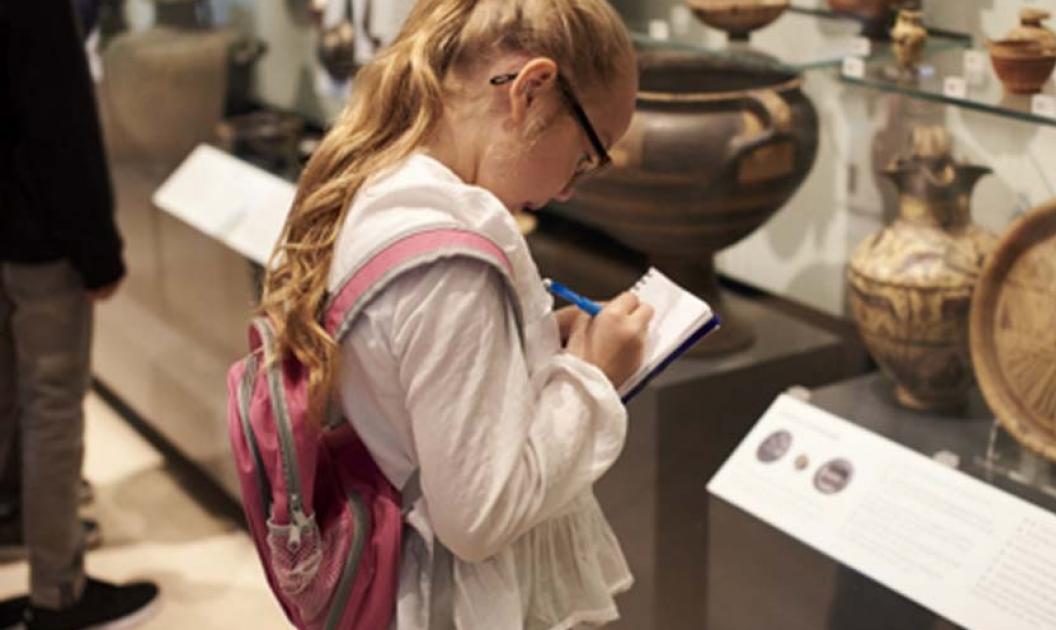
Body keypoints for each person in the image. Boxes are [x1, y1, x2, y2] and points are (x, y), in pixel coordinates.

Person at [257, 0, 650, 627]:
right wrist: (593, 376)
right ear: (532, 90)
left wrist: (538, 342)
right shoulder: (452, 265)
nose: (569, 189)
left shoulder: (385, 188)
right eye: (585, 155)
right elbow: (479, 518)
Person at [0, 1, 159, 628]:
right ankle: (57, 592)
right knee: (51, 409)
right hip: (39, 239)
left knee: (15, 398)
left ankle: (17, 519)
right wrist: (98, 252)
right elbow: (61, 125)